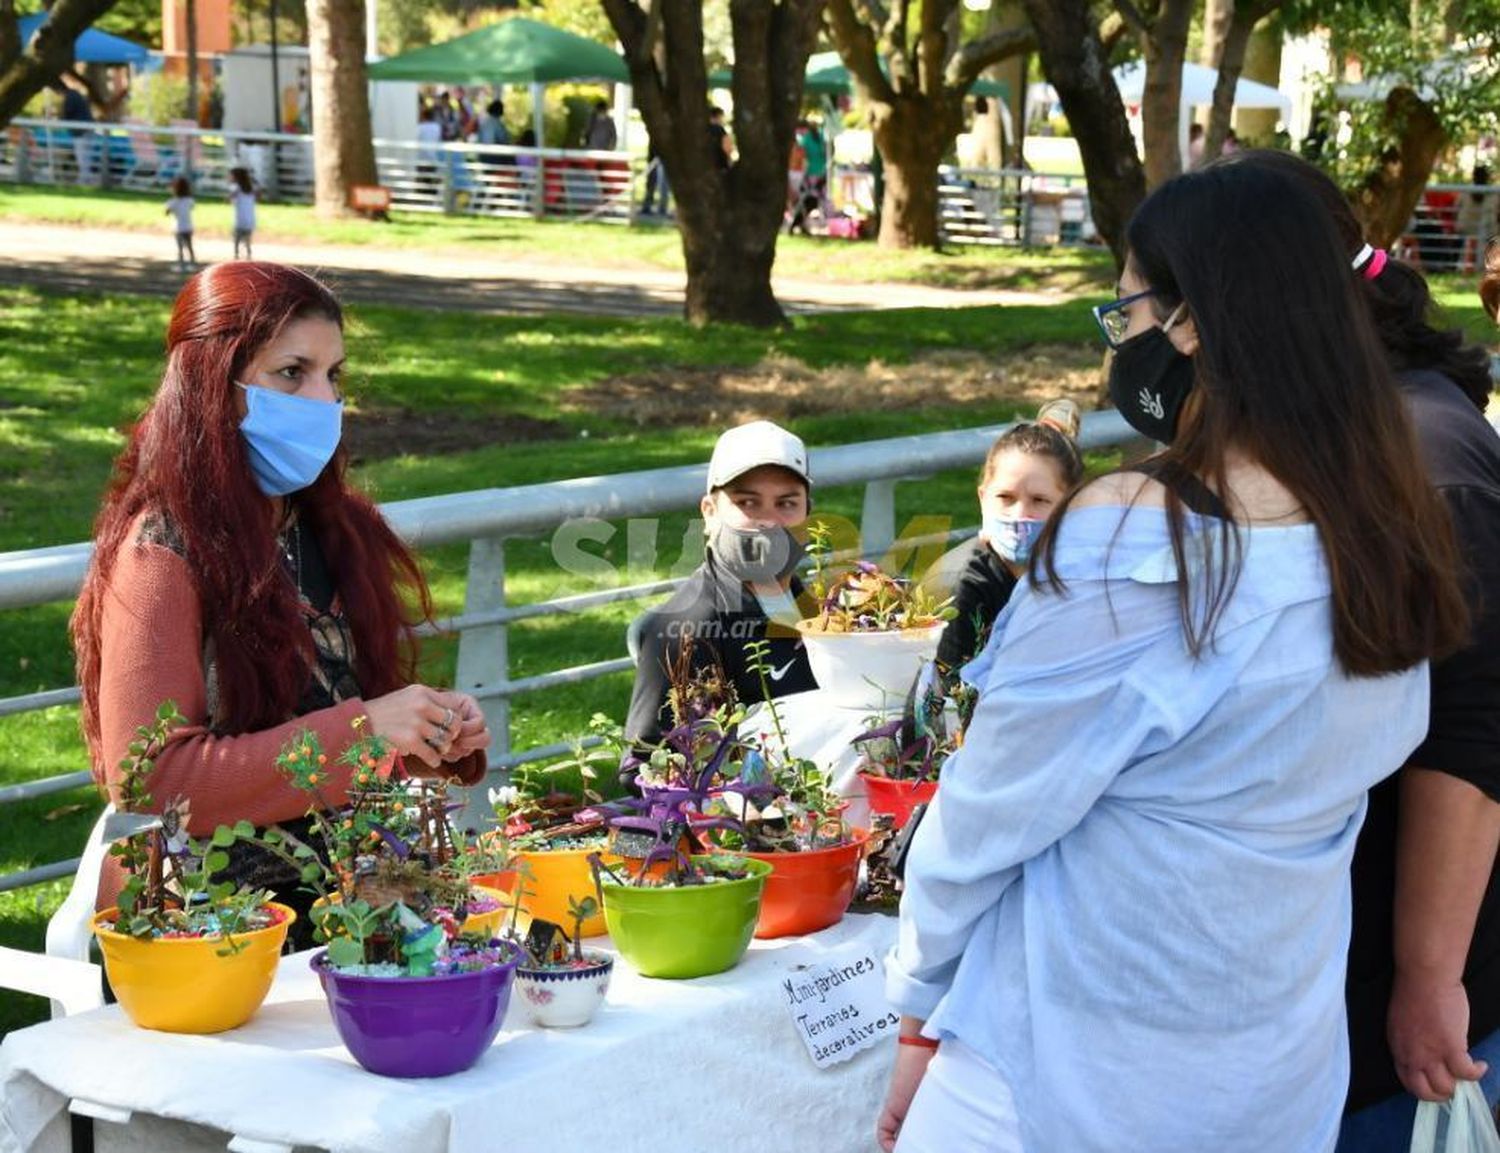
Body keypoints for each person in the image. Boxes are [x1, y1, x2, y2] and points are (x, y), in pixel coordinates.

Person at [878, 161, 1469, 1153]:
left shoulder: (1137, 535)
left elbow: (985, 814)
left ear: (1193, 320)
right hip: (1272, 1070)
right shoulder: (1385, 521)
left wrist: (914, 1006)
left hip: (1069, 1066)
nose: (1124, 346)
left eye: (1127, 313)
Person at [71, 263, 490, 948]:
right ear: (215, 384)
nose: (323, 400)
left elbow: (331, 729)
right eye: (292, 373)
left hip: (357, 902)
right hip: (210, 934)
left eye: (334, 376)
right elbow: (153, 783)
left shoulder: (330, 527)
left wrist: (426, 735)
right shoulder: (161, 549)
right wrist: (367, 732)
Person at [1225, 150, 1500, 1152]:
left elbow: (1465, 736)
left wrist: (1431, 978)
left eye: (1167, 311)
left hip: (1402, 1016)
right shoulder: (1356, 432)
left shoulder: (1423, 463)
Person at [624, 420, 818, 750]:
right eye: (747, 502)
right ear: (710, 513)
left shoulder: (822, 611)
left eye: (786, 503)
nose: (768, 520)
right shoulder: (685, 628)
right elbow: (646, 765)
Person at [924, 399, 1083, 673]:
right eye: (1005, 497)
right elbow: (943, 698)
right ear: (983, 499)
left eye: (1040, 500)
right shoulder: (963, 587)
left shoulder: (1081, 572)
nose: (1020, 513)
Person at [787, 119, 828, 235]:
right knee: (810, 201)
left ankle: (797, 223)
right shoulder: (819, 137)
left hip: (809, 174)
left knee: (806, 201)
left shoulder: (806, 139)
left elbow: (800, 156)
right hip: (818, 174)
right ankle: (799, 223)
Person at [58, 81, 94, 185]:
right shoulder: (76, 94)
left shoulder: (70, 97)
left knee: (82, 156)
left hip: (81, 131)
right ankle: (86, 178)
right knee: (86, 155)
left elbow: (67, 113)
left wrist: (61, 119)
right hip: (87, 129)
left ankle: (84, 179)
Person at [164, 176, 196, 273]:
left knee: (180, 248)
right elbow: (192, 207)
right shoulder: (189, 200)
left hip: (178, 228)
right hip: (188, 226)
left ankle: (181, 265)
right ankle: (192, 264)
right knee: (189, 246)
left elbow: (167, 212)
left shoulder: (172, 202)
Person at [229, 167, 257, 261]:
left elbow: (232, 199)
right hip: (250, 218)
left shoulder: (236, 188)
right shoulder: (251, 187)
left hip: (240, 219)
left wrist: (230, 197)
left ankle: (236, 257)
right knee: (247, 241)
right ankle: (248, 257)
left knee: (236, 240)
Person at [707, 107, 733, 171]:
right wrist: (729, 159)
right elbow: (727, 147)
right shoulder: (721, 130)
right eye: (722, 117)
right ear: (718, 116)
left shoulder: (706, 129)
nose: (722, 119)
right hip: (721, 162)